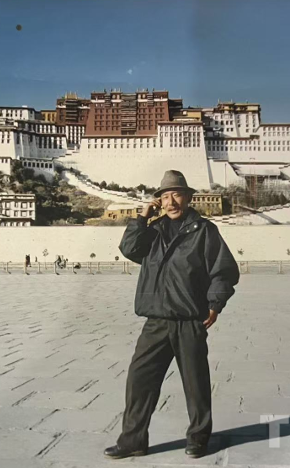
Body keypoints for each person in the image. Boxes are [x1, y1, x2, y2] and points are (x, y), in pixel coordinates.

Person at [104, 170, 240, 460]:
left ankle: (198, 438)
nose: (171, 202)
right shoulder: (152, 231)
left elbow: (224, 270)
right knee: (139, 380)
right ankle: (133, 440)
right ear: (159, 202)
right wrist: (142, 217)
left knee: (195, 383)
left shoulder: (204, 231)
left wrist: (215, 304)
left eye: (176, 194)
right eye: (165, 197)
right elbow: (129, 248)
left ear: (188, 198)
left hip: (190, 320)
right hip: (156, 320)